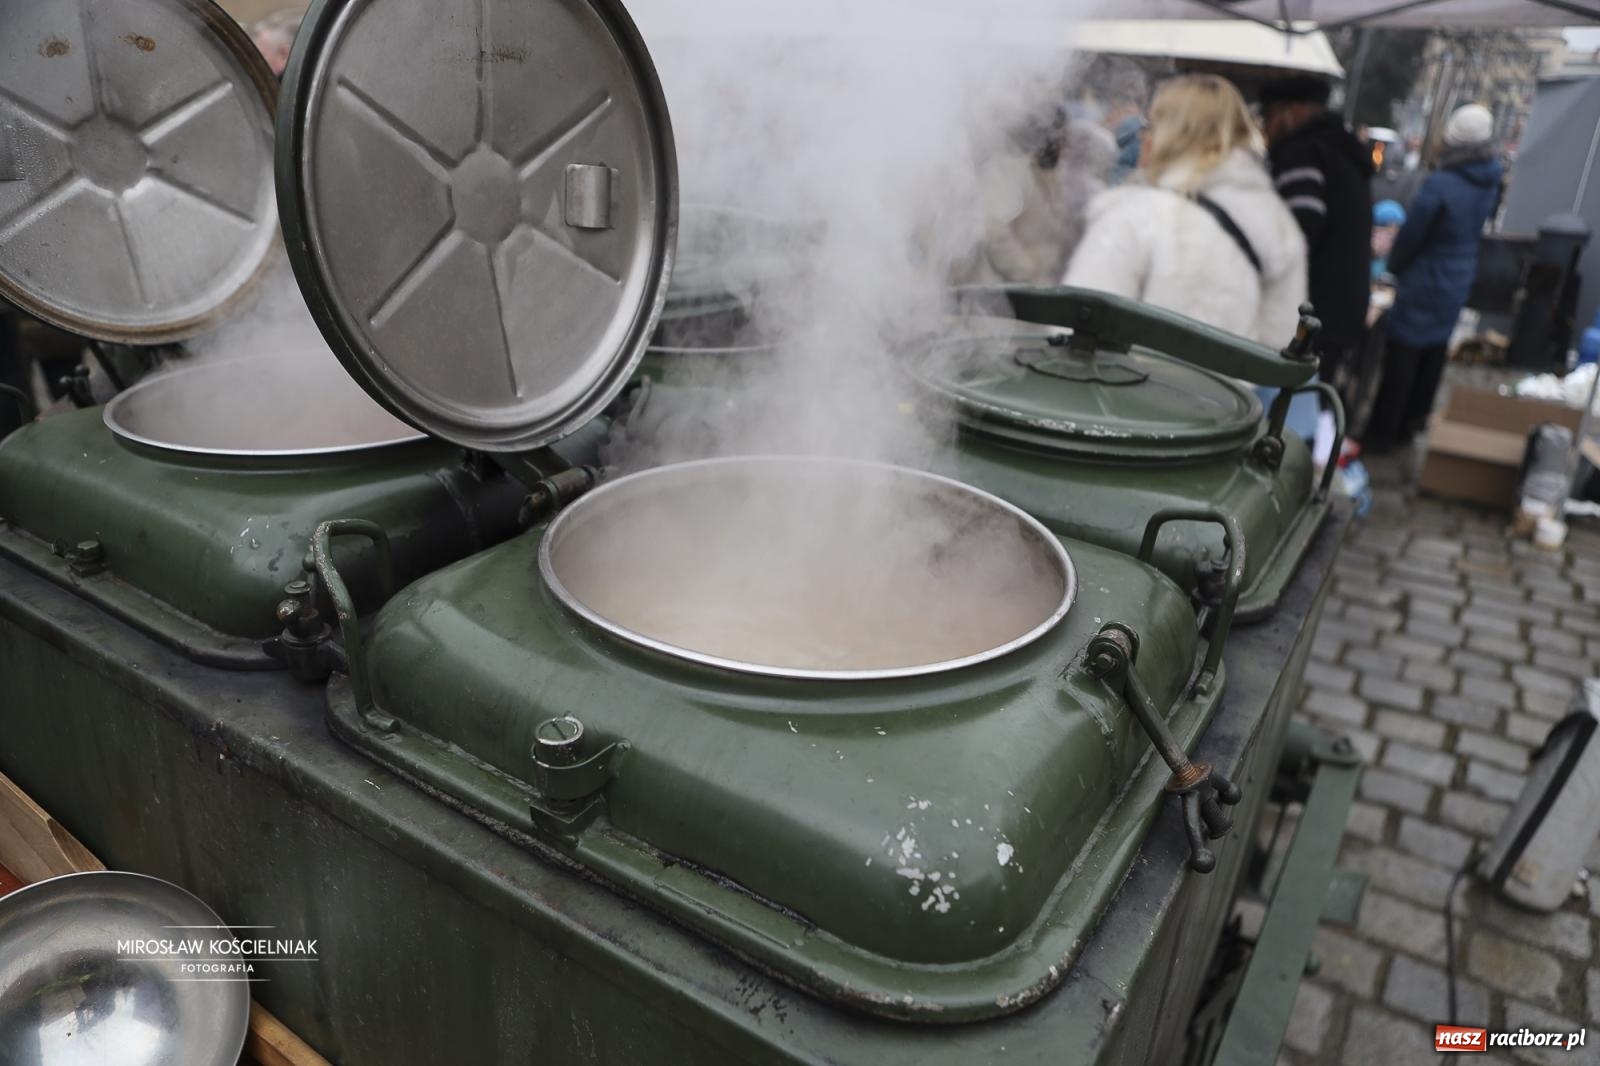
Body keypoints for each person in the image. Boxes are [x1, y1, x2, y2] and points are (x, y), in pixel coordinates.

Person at [1064, 74, 1307, 350]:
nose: (1143, 136)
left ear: (1173, 134)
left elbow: (1075, 327)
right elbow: (1278, 341)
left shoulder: (1134, 216)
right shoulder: (1277, 224)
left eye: (1151, 125)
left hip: (1124, 390)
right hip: (1225, 393)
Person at [1362, 104, 1503, 451]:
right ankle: (1414, 424)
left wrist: (1394, 265)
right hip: (1459, 276)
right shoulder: (1492, 178)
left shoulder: (1442, 183)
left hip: (1426, 277)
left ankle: (1383, 434)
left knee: (1403, 355)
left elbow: (1413, 234)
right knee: (1434, 351)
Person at [1259, 75, 1374, 409]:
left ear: (1291, 111)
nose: (1265, 128)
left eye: (1268, 116)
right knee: (1315, 403)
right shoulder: (1340, 149)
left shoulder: (1303, 152)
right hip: (1343, 306)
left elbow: (1296, 232)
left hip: (1314, 308)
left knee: (1293, 410)